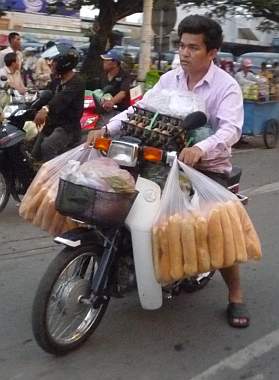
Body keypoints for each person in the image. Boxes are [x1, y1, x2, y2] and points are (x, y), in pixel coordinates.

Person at [87, 14, 250, 329]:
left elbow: (231, 129)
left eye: (193, 47)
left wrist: (200, 149)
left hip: (205, 168)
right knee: (117, 197)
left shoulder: (226, 87)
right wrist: (107, 128)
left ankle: (236, 295)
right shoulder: (168, 80)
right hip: (159, 158)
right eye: (182, 46)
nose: (184, 53)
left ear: (212, 52)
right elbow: (140, 110)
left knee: (216, 230)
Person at [32, 44, 85, 162]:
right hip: (52, 123)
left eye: (54, 61)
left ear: (63, 63)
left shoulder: (76, 82)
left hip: (67, 128)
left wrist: (45, 109)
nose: (51, 64)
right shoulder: (57, 79)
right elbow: (47, 94)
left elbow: (61, 98)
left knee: (47, 146)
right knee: (33, 152)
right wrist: (31, 103)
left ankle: (54, 177)